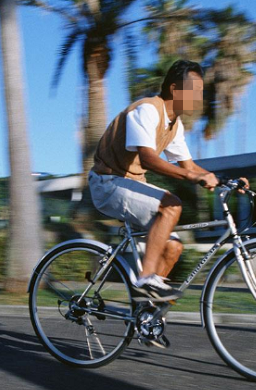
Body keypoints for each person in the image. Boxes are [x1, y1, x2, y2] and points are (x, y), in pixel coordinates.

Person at [88, 60, 221, 301]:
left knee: (173, 247)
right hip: (107, 183)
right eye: (194, 91)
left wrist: (225, 182)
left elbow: (189, 166)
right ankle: (146, 277)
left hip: (130, 186)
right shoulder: (147, 110)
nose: (198, 98)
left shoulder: (174, 125)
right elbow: (148, 159)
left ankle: (147, 309)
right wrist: (192, 176)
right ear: (175, 89)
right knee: (171, 204)